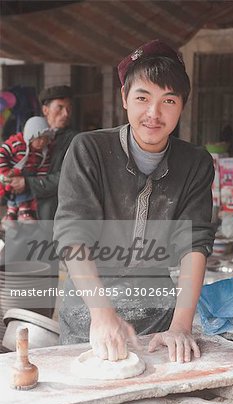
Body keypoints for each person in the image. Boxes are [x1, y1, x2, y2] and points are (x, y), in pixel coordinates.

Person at [53, 40, 215, 363]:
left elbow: (193, 244)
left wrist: (181, 326)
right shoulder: (89, 151)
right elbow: (72, 236)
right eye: (143, 98)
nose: (154, 114)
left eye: (168, 100)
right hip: (88, 319)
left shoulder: (195, 163)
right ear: (125, 98)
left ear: (182, 105)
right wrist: (101, 315)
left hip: (158, 324)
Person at [9, 85, 76, 220]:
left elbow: (67, 177)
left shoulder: (74, 140)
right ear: (45, 110)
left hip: (52, 213)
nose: (66, 114)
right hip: (21, 211)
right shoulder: (27, 134)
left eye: (69, 108)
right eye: (60, 107)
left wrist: (27, 183)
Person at [0, 116, 53, 226]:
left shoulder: (43, 152)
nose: (42, 142)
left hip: (28, 179)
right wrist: (4, 172)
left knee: (28, 187)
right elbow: (2, 154)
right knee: (14, 192)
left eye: (45, 138)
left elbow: (43, 168)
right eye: (38, 138)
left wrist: (38, 181)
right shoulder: (17, 144)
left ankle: (19, 213)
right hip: (10, 175)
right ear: (29, 136)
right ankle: (14, 213)